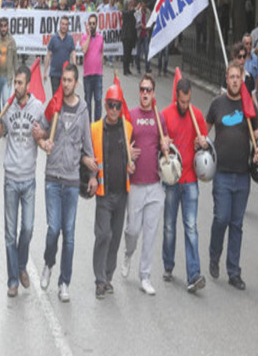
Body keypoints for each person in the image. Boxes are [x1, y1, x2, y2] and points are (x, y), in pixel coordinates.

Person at [0, 65, 47, 297]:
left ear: (27, 84)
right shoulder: (7, 107)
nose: (15, 87)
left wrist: (42, 136)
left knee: (26, 229)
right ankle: (12, 280)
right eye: (14, 82)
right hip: (11, 179)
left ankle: (21, 264)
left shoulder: (37, 108)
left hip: (28, 179)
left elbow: (45, 133)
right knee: (9, 233)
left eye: (19, 83)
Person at [34, 63, 95, 302]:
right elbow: (38, 132)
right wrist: (42, 141)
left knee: (69, 234)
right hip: (52, 178)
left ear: (76, 83)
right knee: (53, 229)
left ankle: (64, 282)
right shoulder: (54, 105)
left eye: (70, 80)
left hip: (71, 181)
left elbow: (88, 146)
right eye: (64, 80)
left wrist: (92, 176)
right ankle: (49, 263)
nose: (66, 84)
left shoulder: (83, 110)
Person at [205, 60, 258, 290]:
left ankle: (234, 271)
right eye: (230, 77)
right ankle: (214, 255)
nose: (233, 80)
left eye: (237, 77)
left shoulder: (248, 105)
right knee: (221, 218)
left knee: (237, 224)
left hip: (242, 175)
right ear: (226, 78)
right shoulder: (217, 104)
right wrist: (202, 140)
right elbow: (205, 128)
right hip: (221, 173)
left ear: (242, 80)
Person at [161, 78, 210, 292]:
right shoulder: (165, 115)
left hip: (190, 180)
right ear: (176, 98)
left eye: (187, 101)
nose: (184, 106)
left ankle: (194, 274)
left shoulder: (197, 115)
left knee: (191, 227)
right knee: (170, 226)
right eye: (181, 102)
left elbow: (206, 145)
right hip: (172, 180)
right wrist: (163, 143)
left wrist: (204, 142)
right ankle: (168, 265)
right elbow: (158, 145)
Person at [87, 83, 136, 298]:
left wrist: (131, 164)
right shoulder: (95, 129)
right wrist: (92, 177)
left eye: (117, 105)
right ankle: (99, 280)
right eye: (110, 105)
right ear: (105, 106)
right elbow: (88, 157)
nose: (114, 109)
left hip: (122, 193)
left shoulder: (128, 129)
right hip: (104, 194)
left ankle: (108, 277)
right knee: (103, 234)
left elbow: (132, 155)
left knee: (115, 237)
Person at [122, 74, 169, 295]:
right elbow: (122, 144)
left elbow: (166, 149)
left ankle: (145, 276)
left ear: (154, 93)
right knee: (133, 230)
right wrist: (128, 154)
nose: (145, 93)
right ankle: (128, 253)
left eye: (148, 90)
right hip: (136, 185)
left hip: (155, 185)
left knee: (150, 233)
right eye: (142, 89)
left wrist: (166, 145)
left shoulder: (160, 119)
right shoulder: (130, 116)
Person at [44, 15, 76, 95]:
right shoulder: (53, 38)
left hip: (66, 74)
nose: (64, 26)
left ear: (68, 26)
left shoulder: (70, 39)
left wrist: (74, 68)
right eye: (62, 24)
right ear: (60, 24)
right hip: (54, 73)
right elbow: (48, 55)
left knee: (65, 97)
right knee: (56, 97)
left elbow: (73, 53)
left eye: (66, 24)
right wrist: (45, 71)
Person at [80, 12, 104, 122]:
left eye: (94, 23)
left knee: (98, 101)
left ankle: (97, 125)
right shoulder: (84, 37)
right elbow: (84, 50)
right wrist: (89, 35)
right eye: (90, 23)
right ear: (88, 25)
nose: (92, 25)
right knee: (88, 102)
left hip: (98, 75)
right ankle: (88, 125)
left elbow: (101, 53)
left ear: (97, 24)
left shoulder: (101, 38)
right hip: (87, 76)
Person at [121, 0, 138, 76]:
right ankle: (125, 69)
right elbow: (129, 14)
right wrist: (133, 9)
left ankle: (128, 68)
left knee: (130, 54)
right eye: (130, 4)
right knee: (126, 53)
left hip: (132, 36)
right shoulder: (125, 12)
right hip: (126, 36)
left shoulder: (133, 13)